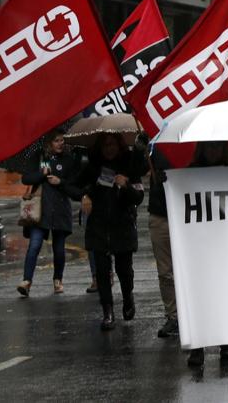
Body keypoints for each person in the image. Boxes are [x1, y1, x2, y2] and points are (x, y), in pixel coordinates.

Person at [75, 133, 144, 331]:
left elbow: (138, 197)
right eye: (105, 145)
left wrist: (126, 185)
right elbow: (74, 185)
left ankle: (128, 297)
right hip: (98, 226)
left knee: (124, 270)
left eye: (112, 144)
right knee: (102, 271)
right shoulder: (93, 167)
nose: (109, 148)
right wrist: (85, 195)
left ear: (119, 145)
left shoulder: (130, 165)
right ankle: (108, 312)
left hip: (122, 225)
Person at [183, 141, 228, 368]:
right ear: (202, 149)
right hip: (198, 244)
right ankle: (198, 347)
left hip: (224, 242)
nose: (213, 151)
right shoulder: (189, 174)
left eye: (217, 147)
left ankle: (226, 343)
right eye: (210, 147)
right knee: (198, 295)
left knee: (224, 294)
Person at [17, 131, 82, 297]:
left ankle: (58, 280)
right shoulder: (38, 156)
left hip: (60, 210)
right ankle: (26, 281)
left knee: (59, 249)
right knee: (35, 244)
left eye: (62, 140)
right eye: (56, 141)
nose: (60, 143)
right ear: (48, 143)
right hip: (41, 210)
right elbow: (26, 179)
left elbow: (74, 187)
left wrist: (60, 182)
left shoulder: (68, 159)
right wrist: (42, 174)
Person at [147, 145, 179, 339]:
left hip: (184, 215)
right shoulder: (154, 148)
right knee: (165, 271)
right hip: (160, 214)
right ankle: (173, 316)